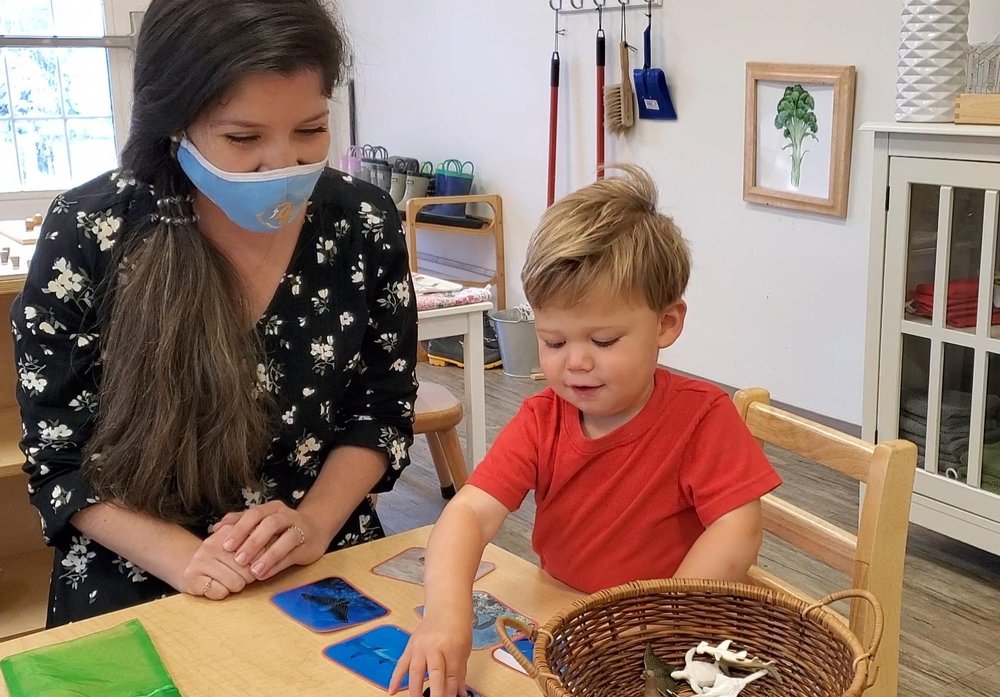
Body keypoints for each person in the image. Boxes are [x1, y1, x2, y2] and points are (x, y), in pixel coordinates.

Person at [11, 0, 417, 628]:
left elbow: (381, 410)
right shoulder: (91, 231)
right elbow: (59, 456)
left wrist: (312, 524)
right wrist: (187, 559)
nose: (283, 164)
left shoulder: (361, 221)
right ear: (175, 124)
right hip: (139, 573)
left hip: (318, 562)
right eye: (243, 138)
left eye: (310, 130)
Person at [389, 166, 782, 697]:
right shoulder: (542, 418)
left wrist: (656, 623)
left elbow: (738, 531)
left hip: (672, 645)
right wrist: (445, 613)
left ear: (666, 324)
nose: (575, 363)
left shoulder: (703, 416)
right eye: (553, 342)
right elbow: (469, 514)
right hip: (569, 620)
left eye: (603, 341)